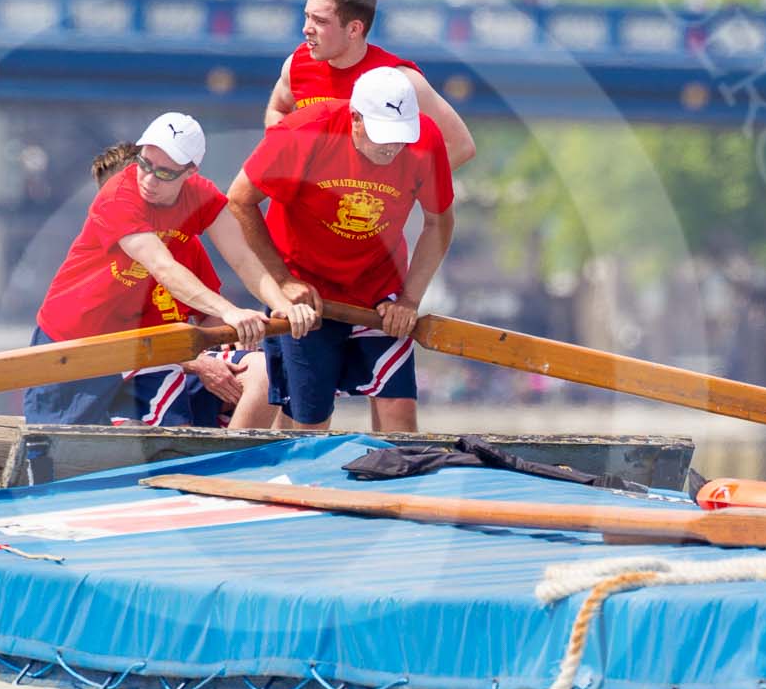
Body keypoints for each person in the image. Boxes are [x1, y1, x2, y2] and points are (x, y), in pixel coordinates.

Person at [24, 112, 315, 425]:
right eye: (144, 164)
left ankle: (224, 469)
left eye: (164, 173)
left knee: (243, 385)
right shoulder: (119, 197)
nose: (148, 179)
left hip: (144, 349)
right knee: (52, 449)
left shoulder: (200, 200)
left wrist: (283, 306)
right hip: (75, 340)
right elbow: (162, 267)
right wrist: (231, 313)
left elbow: (244, 259)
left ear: (190, 172)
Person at [227, 66, 455, 434]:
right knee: (308, 419)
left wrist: (410, 299)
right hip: (307, 295)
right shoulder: (304, 131)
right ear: (355, 120)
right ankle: (295, 484)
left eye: (401, 136)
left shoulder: (426, 141)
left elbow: (439, 223)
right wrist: (283, 282)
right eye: (383, 135)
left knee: (398, 410)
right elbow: (239, 200)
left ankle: (396, 484)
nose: (392, 147)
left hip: (381, 293)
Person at [87, 142, 248, 428]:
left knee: (261, 373)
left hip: (182, 363)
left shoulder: (186, 243)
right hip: (129, 377)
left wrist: (230, 336)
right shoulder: (100, 260)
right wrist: (197, 362)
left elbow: (208, 314)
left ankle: (243, 466)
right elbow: (116, 346)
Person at [264, 0, 476, 174]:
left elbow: (460, 145)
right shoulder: (296, 64)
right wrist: (287, 157)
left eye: (320, 21)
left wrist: (404, 187)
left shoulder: (400, 80)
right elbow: (278, 110)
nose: (306, 28)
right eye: (307, 17)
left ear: (354, 29)